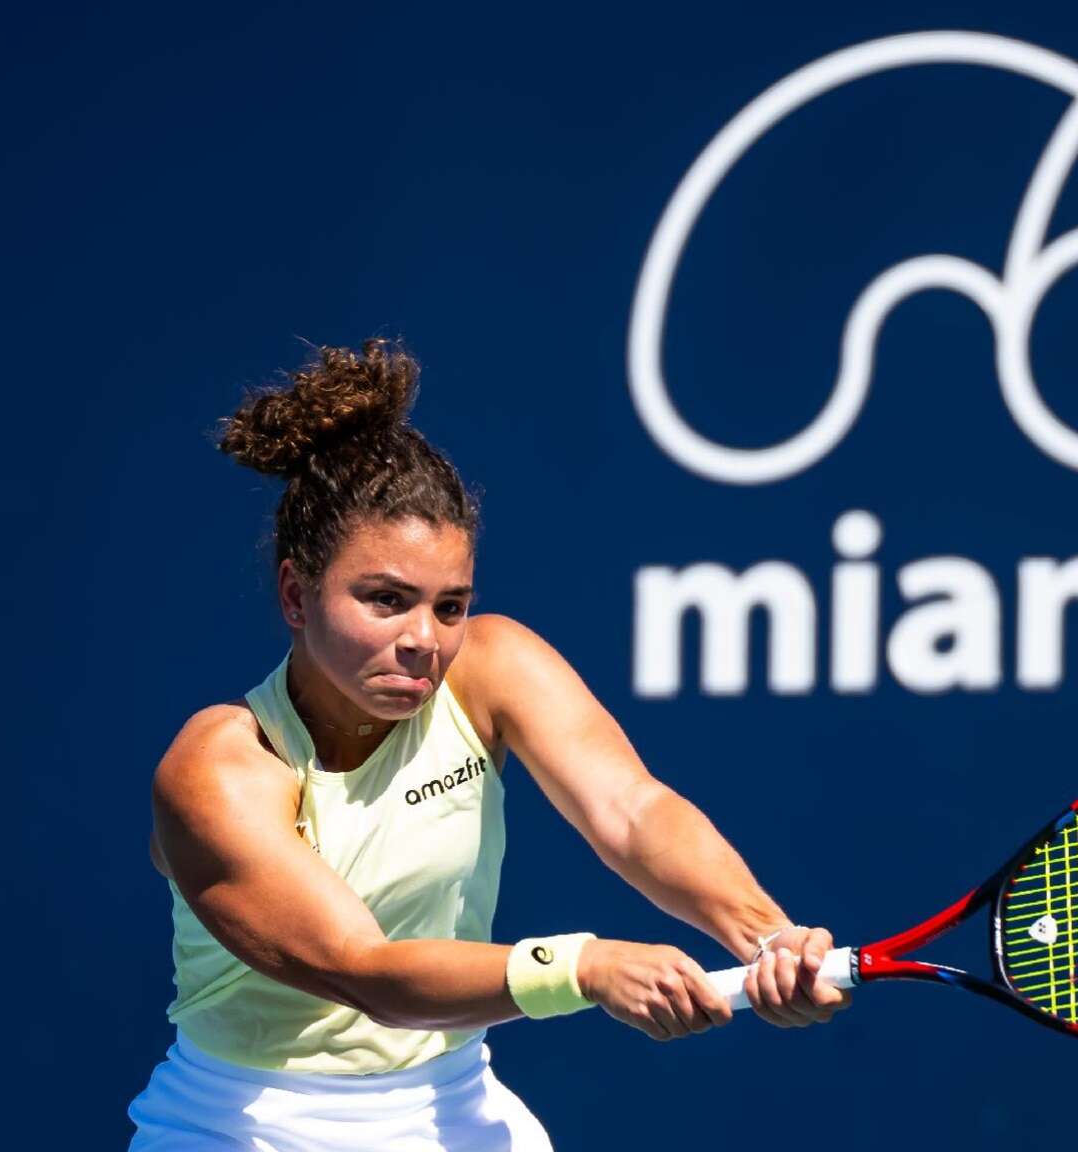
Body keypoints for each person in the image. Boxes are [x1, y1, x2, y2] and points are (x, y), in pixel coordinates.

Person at [127, 339, 847, 1150]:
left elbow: (632, 811)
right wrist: (581, 966)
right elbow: (363, 968)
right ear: (297, 593)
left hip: (454, 1104)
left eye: (448, 605)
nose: (422, 639)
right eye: (385, 600)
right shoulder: (220, 766)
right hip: (244, 1124)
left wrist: (768, 937)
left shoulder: (490, 666)